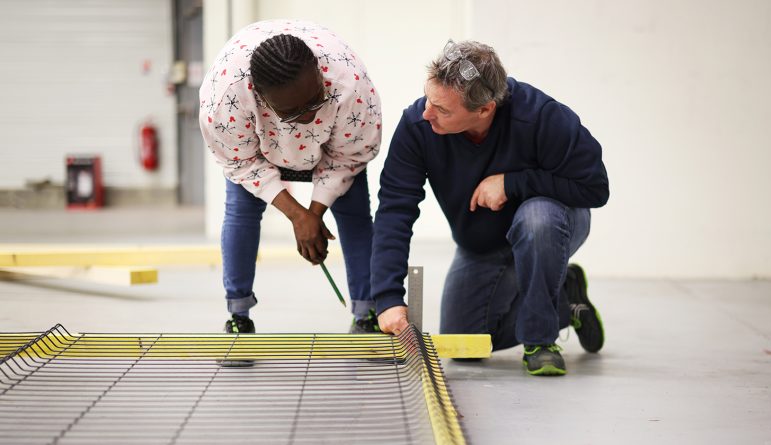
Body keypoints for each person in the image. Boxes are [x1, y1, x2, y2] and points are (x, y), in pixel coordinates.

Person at [371, 40, 609, 376]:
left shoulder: (541, 116)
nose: (427, 113)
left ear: (485, 109)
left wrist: (512, 184)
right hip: (482, 243)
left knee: (537, 217)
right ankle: (564, 299)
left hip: (548, 228)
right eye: (428, 99)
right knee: (464, 342)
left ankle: (540, 342)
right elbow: (395, 208)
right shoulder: (418, 125)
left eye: (442, 109)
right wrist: (387, 296)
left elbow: (595, 188)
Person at [199, 20, 383, 337]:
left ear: (320, 74)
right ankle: (238, 316)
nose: (309, 116)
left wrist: (316, 212)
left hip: (333, 147)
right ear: (259, 96)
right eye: (294, 112)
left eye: (315, 100)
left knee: (354, 213)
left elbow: (349, 155)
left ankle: (367, 313)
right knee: (241, 212)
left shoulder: (350, 86)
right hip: (260, 146)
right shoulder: (224, 98)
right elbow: (240, 161)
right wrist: (298, 215)